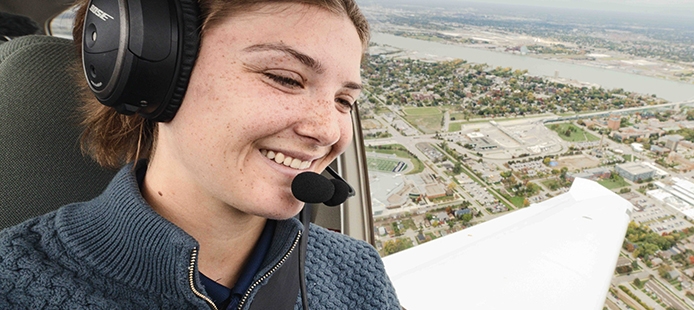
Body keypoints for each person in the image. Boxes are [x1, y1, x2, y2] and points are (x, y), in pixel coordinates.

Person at [0, 0, 401, 309]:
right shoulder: (14, 283)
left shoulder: (356, 273)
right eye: (284, 78)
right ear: (154, 73)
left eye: (344, 101)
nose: (327, 130)